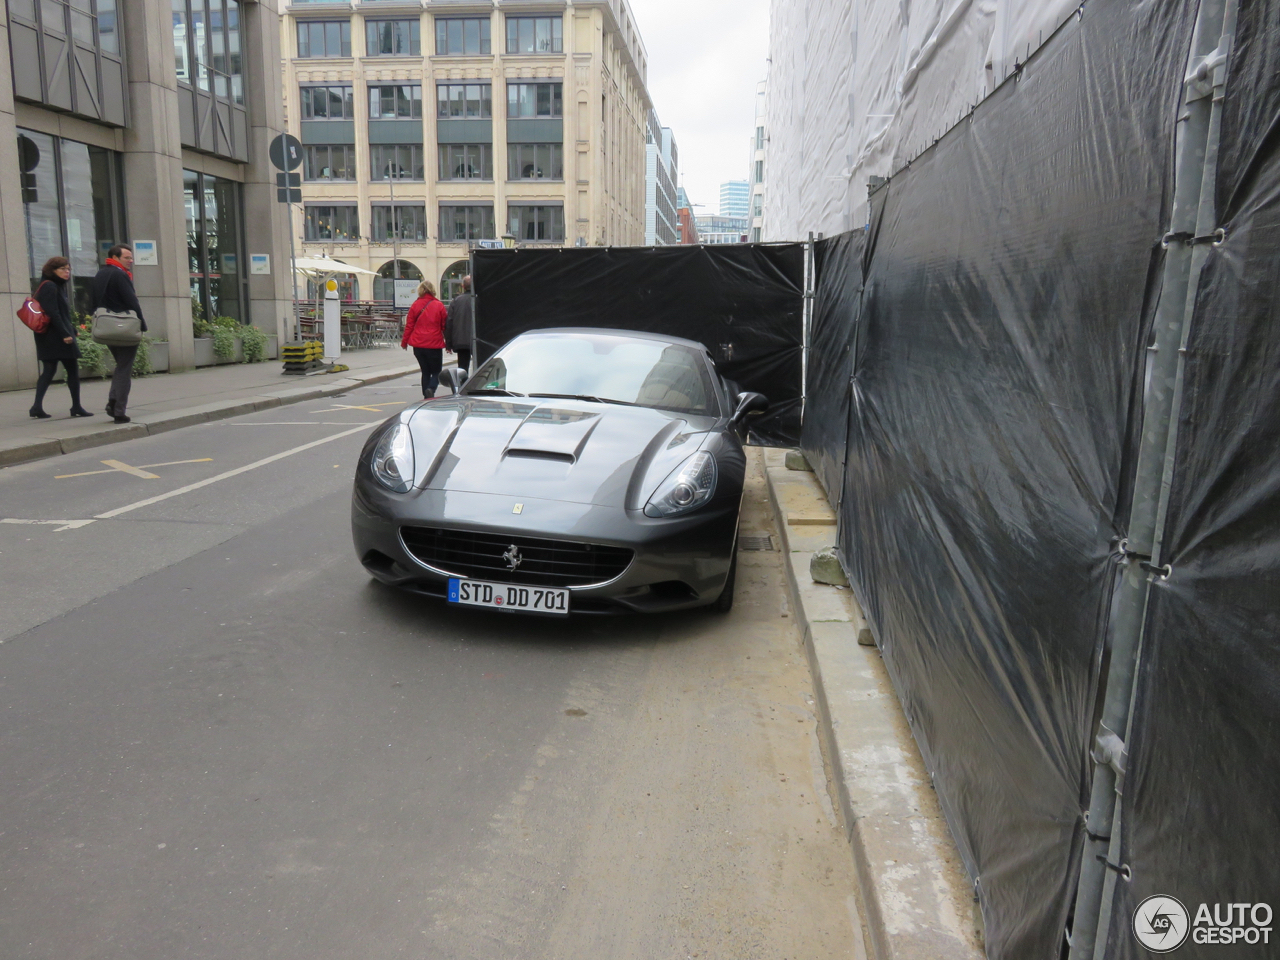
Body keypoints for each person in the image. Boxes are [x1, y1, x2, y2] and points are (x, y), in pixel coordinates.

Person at [29, 256, 93, 420]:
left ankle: (40, 407)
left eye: (68, 269)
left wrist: (72, 329)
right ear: (53, 271)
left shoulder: (56, 286)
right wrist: (65, 333)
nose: (67, 272)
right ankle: (73, 407)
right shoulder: (50, 286)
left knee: (56, 370)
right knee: (61, 370)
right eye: (63, 269)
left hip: (54, 334)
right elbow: (53, 313)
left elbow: (61, 313)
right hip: (54, 336)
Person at [89, 244, 146, 424]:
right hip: (125, 327)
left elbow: (92, 299)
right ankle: (118, 409)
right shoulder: (120, 274)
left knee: (121, 365)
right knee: (124, 368)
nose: (130, 261)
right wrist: (142, 324)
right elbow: (132, 301)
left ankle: (114, 403)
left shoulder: (101, 273)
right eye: (127, 258)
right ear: (114, 257)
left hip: (107, 327)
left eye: (131, 258)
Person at [401, 279, 448, 399]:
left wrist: (404, 342)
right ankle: (431, 389)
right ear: (433, 290)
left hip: (418, 344)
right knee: (436, 371)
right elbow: (444, 326)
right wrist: (448, 343)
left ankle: (426, 397)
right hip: (434, 344)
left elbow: (409, 325)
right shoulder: (439, 305)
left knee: (425, 371)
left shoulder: (415, 305)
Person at [444, 275, 475, 375]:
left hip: (461, 341)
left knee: (462, 369)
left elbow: (449, 322)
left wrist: (448, 343)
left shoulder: (456, 301)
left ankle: (462, 388)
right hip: (477, 341)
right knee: (480, 368)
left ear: (463, 286)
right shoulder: (478, 299)